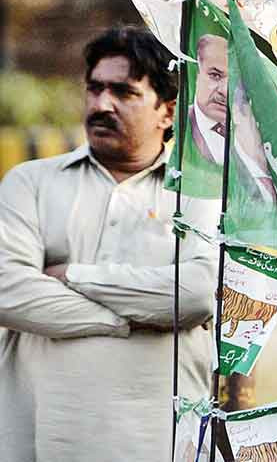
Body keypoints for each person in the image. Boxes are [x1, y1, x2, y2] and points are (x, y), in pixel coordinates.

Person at [0, 26, 217, 461]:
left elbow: (196, 294)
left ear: (167, 111)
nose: (101, 104)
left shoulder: (200, 194)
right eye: (95, 88)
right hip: (41, 441)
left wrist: (74, 275)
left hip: (159, 445)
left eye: (123, 92)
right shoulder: (31, 183)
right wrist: (132, 318)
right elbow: (7, 290)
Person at [191, 33, 229, 165]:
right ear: (196, 73)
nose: (225, 91)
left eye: (236, 81)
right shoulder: (174, 126)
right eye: (215, 75)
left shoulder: (256, 134)